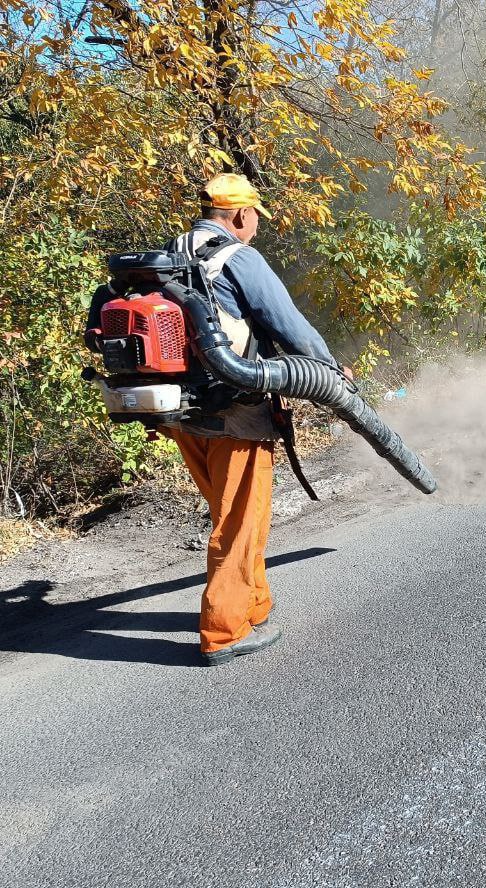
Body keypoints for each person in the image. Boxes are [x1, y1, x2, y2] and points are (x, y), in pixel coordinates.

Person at [91, 174, 347, 665]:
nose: (254, 228)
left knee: (236, 513)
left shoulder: (166, 259)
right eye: (253, 220)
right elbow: (289, 324)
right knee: (239, 519)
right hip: (236, 411)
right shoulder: (238, 257)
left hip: (184, 415)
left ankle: (252, 603)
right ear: (241, 216)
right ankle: (224, 632)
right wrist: (331, 372)